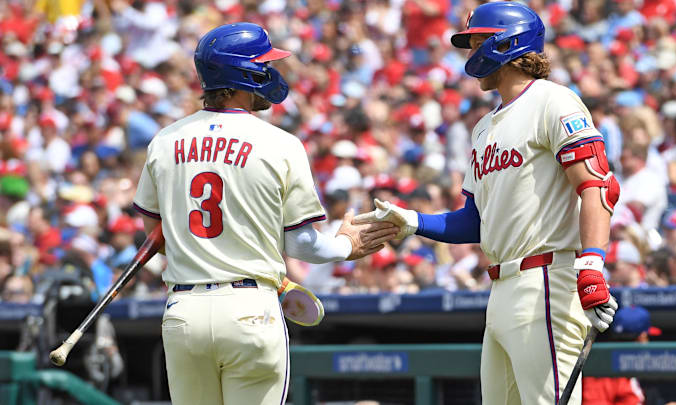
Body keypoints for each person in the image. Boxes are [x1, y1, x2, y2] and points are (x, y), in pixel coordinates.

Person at [355, 2, 619, 404]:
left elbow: (598, 185)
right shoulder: (484, 125)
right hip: (499, 288)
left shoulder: (553, 101)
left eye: (477, 40)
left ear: (506, 43)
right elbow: (472, 223)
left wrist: (593, 264)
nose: (470, 50)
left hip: (546, 278)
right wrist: (411, 220)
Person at [132, 23, 398, 405]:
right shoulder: (280, 143)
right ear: (246, 74)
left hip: (183, 311)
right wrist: (344, 245)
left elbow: (155, 234)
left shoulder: (165, 139)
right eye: (264, 64)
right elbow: (301, 243)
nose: (270, 71)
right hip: (249, 309)